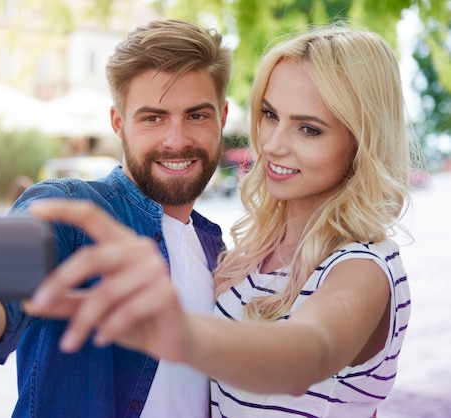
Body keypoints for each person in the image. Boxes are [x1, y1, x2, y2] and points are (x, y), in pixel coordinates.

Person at [22, 24, 413, 417]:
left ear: (362, 141)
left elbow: (309, 351)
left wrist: (175, 329)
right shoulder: (241, 261)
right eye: (270, 115)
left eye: (309, 128)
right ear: (118, 122)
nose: (273, 144)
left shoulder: (363, 266)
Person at [0, 19, 232, 418]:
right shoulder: (71, 212)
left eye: (196, 116)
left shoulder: (217, 249)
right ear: (118, 123)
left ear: (223, 117)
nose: (176, 139)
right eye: (153, 118)